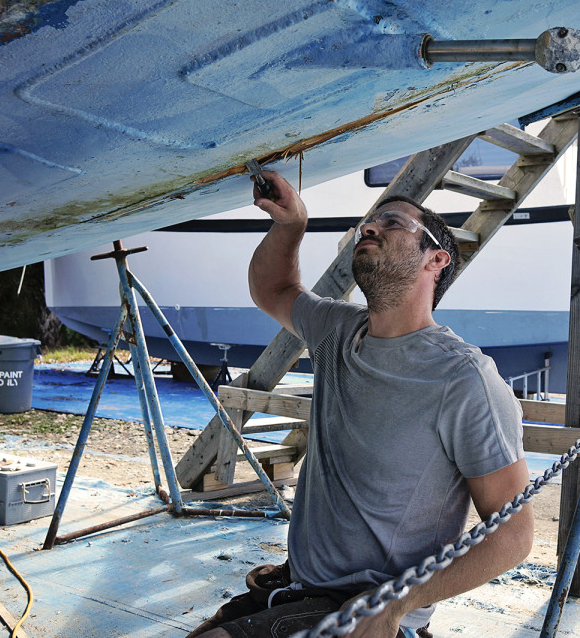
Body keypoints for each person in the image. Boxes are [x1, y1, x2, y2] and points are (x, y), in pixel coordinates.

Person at [189, 171, 533, 638]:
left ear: (436, 258)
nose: (369, 228)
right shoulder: (337, 330)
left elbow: (513, 536)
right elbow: (272, 290)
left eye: (392, 222)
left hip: (371, 612)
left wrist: (395, 607)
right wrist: (291, 226)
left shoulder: (463, 379)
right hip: (301, 587)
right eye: (366, 223)